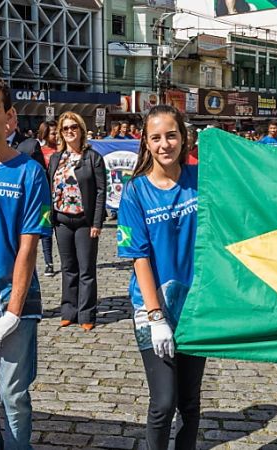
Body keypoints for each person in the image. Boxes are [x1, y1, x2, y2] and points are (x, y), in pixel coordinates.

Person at [0, 76, 51, 450]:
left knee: (12, 393)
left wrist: (13, 311)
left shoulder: (30, 173)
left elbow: (28, 247)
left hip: (14, 299)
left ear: (11, 118)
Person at [117, 104, 205, 450]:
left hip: (195, 309)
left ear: (184, 139)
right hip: (152, 309)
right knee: (163, 402)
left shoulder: (201, 181)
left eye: (171, 135)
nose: (164, 144)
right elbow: (138, 257)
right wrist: (156, 318)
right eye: (156, 137)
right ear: (146, 143)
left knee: (190, 403)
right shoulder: (135, 192)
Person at [47, 112, 106, 330]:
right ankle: (68, 310)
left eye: (74, 127)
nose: (70, 131)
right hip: (62, 220)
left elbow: (101, 191)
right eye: (65, 128)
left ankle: (86, 314)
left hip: (85, 221)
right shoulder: (56, 158)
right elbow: (49, 188)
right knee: (68, 268)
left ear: (81, 130)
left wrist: (97, 223)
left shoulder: (92, 158)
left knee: (86, 269)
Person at [38, 120, 59, 276]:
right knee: (46, 230)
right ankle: (48, 262)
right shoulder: (40, 151)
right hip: (44, 198)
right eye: (53, 133)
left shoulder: (63, 150)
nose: (56, 135)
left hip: (61, 197)